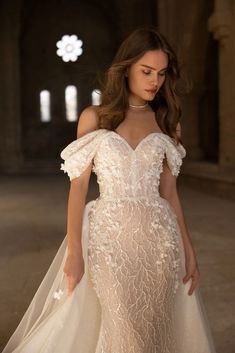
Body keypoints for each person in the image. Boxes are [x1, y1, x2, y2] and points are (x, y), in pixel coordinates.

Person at [2, 27, 217, 353]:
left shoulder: (168, 121)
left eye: (160, 73)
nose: (154, 81)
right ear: (126, 68)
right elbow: (78, 189)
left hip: (160, 244)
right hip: (109, 241)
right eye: (146, 71)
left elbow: (170, 194)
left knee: (151, 330)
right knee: (122, 327)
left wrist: (188, 249)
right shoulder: (95, 118)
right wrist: (74, 253)